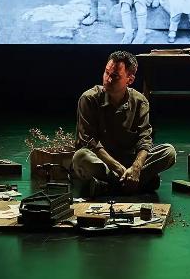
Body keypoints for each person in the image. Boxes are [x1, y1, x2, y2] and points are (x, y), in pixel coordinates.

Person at [72, 51, 177, 197]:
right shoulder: (89, 99)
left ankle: (108, 187)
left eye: (115, 76)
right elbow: (89, 141)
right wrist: (121, 170)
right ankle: (135, 184)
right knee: (81, 157)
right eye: (106, 73)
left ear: (130, 79)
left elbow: (145, 140)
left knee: (169, 152)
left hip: (129, 161)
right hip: (103, 162)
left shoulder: (140, 101)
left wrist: (136, 168)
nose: (108, 79)